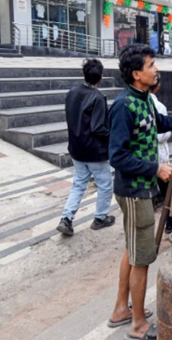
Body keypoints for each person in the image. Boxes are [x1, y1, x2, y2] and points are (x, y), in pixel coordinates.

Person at [107, 44, 172, 339]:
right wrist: (155, 169)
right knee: (143, 257)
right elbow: (117, 156)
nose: (156, 69)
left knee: (132, 250)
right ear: (136, 74)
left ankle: (122, 309)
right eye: (151, 65)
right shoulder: (123, 107)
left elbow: (160, 123)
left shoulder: (145, 99)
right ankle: (137, 324)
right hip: (134, 191)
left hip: (141, 188)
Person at [57, 59, 115, 236]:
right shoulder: (97, 97)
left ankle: (66, 218)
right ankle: (100, 218)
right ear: (101, 76)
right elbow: (98, 128)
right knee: (105, 184)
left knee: (79, 184)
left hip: (76, 148)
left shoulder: (72, 92)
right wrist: (113, 133)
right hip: (94, 151)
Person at [149, 81, 172, 234]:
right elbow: (160, 135)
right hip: (159, 158)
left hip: (147, 158)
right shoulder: (159, 106)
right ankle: (170, 222)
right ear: (157, 87)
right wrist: (169, 132)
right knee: (167, 190)